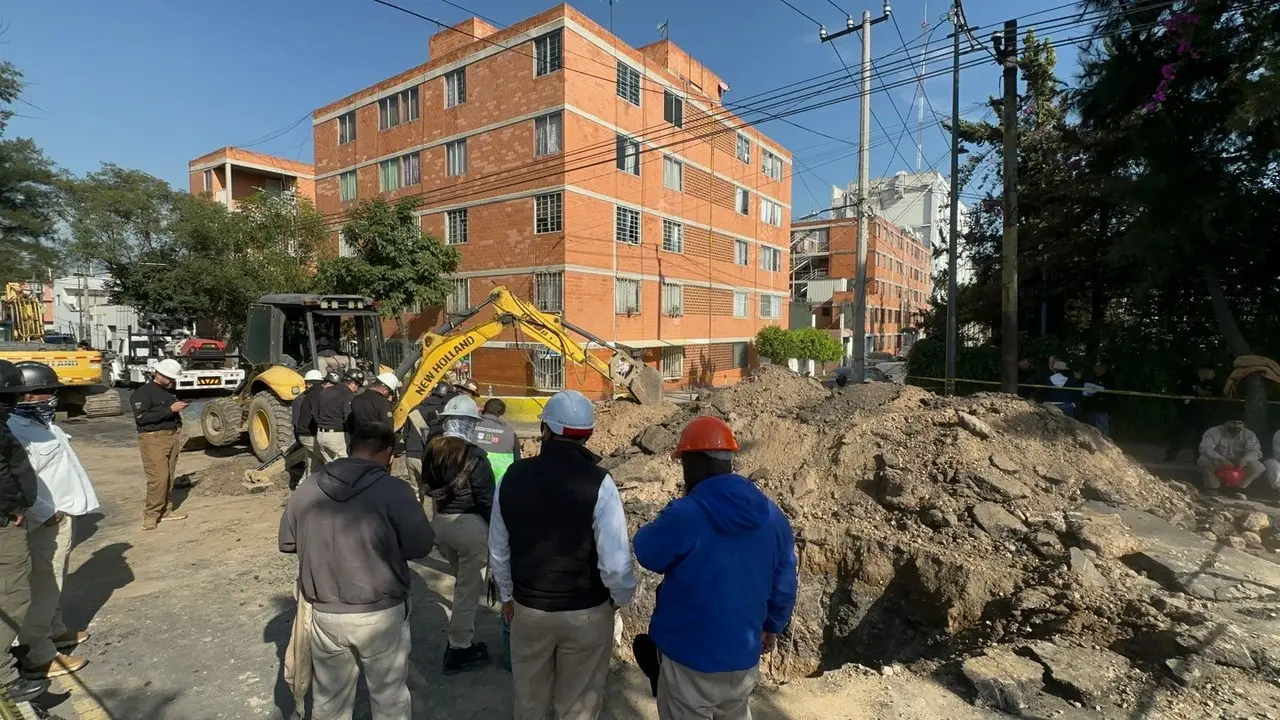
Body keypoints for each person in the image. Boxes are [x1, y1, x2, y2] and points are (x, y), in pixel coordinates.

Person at [633, 416, 797, 719]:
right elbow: (785, 581)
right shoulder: (773, 516)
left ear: (695, 462)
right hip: (742, 656)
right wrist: (772, 626)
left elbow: (647, 552)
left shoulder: (687, 514)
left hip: (688, 657)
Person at [489, 390, 636, 720]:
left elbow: (498, 549)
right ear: (589, 435)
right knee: (578, 706)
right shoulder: (601, 482)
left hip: (529, 612)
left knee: (529, 702)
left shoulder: (511, 477)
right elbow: (615, 561)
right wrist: (617, 600)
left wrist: (508, 598)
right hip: (586, 613)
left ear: (545, 430)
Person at [278, 425, 434, 720]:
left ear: (351, 447)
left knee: (330, 701)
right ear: (388, 454)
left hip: (325, 613)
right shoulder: (394, 490)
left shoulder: (308, 487)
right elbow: (421, 545)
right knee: (389, 698)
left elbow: (288, 542)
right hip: (381, 613)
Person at [6, 362, 96, 680]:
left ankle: (55, 631)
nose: (53, 398)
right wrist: (47, 513)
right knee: (42, 587)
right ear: (27, 395)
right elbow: (21, 481)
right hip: (43, 520)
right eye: (48, 391)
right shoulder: (16, 431)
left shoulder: (41, 422)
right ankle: (39, 655)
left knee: (55, 580)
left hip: (60, 514)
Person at [421, 395, 496, 674]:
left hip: (442, 523)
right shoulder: (474, 455)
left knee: (462, 582)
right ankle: (459, 648)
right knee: (467, 590)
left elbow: (426, 486)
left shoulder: (433, 450)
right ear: (469, 423)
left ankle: (460, 638)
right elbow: (486, 499)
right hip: (470, 527)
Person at [0, 360, 48, 701]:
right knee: (11, 594)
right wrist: (14, 507)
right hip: (4, 520)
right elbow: (2, 473)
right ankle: (3, 678)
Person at [133, 358, 188, 530]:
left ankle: (165, 510)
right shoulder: (143, 393)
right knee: (158, 478)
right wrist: (169, 410)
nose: (171, 381)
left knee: (169, 477)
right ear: (159, 374)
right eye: (169, 378)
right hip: (153, 438)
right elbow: (142, 418)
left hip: (171, 436)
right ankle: (151, 515)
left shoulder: (168, 391)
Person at [403, 382, 453, 505]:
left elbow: (405, 434)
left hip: (410, 455)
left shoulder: (415, 409)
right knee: (435, 494)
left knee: (415, 493)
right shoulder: (444, 411)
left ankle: (415, 519)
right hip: (428, 459)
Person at [1199, 419, 1265, 496]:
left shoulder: (1249, 434)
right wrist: (1221, 459)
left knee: (1259, 467)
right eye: (1233, 423)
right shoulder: (1213, 432)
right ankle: (1213, 488)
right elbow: (1205, 448)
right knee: (1204, 461)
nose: (1237, 426)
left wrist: (1245, 459)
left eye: (1240, 423)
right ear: (1226, 422)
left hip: (1238, 464)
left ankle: (1239, 489)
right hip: (1218, 462)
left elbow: (1255, 451)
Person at [1166, 364, 1217, 462]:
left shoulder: (1213, 384)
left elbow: (1211, 394)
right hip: (1189, 413)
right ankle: (1170, 457)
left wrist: (1201, 391)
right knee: (1180, 435)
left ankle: (1198, 459)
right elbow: (1181, 394)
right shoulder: (1190, 381)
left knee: (1202, 438)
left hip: (1204, 414)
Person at [312, 371, 360, 464]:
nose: (357, 389)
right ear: (353, 383)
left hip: (321, 435)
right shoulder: (348, 394)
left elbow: (314, 412)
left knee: (329, 467)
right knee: (343, 468)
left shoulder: (324, 391)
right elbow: (348, 417)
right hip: (337, 435)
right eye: (358, 386)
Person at [475, 399, 521, 484]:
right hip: (500, 485)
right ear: (502, 414)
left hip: (474, 484)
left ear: (483, 409)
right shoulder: (510, 434)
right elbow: (518, 462)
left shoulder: (470, 428)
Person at [293, 370, 326, 477]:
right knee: (329, 459)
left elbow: (295, 421)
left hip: (305, 434)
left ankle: (301, 489)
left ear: (308, 383)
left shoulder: (300, 398)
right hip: (310, 435)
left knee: (312, 465)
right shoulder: (317, 395)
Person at [1081, 360, 1114, 437]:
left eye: (1097, 366)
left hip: (1101, 408)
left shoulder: (1109, 379)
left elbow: (1110, 393)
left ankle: (1105, 445)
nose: (1095, 368)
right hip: (1090, 407)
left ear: (1103, 367)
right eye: (1094, 366)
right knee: (1090, 428)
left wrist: (1098, 393)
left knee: (1102, 428)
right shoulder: (1091, 378)